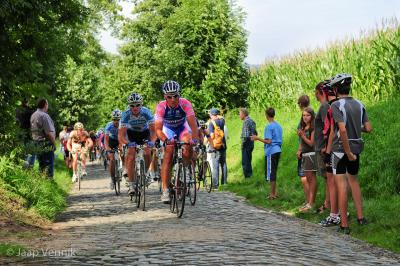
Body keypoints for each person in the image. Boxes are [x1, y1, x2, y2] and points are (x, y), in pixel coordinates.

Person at [329, 73, 372, 234]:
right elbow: (368, 128)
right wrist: (355, 128)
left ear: (336, 89)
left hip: (341, 150)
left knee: (341, 186)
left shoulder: (336, 105)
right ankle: (361, 218)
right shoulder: (360, 104)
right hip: (356, 148)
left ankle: (344, 225)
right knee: (354, 181)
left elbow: (342, 129)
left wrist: (347, 151)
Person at [155, 80, 199, 203]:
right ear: (165, 97)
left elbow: (193, 125)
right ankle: (165, 190)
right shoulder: (161, 106)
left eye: (176, 96)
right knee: (168, 154)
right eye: (170, 96)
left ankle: (184, 169)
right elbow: (158, 129)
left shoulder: (185, 104)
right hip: (168, 129)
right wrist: (165, 140)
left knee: (187, 143)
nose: (173, 99)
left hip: (182, 128)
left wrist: (194, 139)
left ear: (179, 94)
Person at [119, 93, 156, 196]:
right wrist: (127, 143)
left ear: (141, 105)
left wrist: (152, 142)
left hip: (145, 133)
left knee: (148, 151)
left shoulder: (147, 112)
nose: (135, 107)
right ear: (129, 106)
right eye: (132, 105)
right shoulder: (125, 114)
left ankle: (146, 173)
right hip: (131, 134)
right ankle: (131, 184)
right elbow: (121, 135)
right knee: (130, 154)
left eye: (137, 105)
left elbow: (154, 132)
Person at [251, 107, 282, 199]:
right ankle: (274, 193)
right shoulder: (278, 126)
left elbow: (268, 141)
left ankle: (272, 194)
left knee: (271, 173)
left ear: (266, 115)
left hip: (271, 151)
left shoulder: (269, 127)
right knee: (274, 172)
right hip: (278, 150)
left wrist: (257, 138)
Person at [313, 81, 332, 214]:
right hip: (320, 147)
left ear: (320, 92)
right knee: (326, 178)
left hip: (323, 148)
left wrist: (325, 147)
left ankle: (329, 204)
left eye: (315, 91)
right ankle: (328, 203)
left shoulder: (325, 106)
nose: (314, 94)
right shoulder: (323, 106)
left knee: (328, 177)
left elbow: (328, 128)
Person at [30, 98, 56, 178]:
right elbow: (48, 133)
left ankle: (41, 181)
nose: (47, 106)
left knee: (41, 164)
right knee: (48, 164)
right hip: (46, 143)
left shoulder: (33, 115)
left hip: (36, 142)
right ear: (45, 105)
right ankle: (49, 182)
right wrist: (54, 143)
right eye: (47, 104)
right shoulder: (44, 116)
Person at [297, 107, 317, 212]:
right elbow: (302, 142)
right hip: (304, 154)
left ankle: (311, 203)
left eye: (307, 115)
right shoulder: (304, 127)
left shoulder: (313, 127)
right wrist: (299, 150)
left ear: (312, 116)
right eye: (303, 115)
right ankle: (309, 202)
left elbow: (311, 143)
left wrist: (303, 136)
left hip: (311, 155)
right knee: (308, 179)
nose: (305, 117)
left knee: (311, 179)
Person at [296, 95, 310, 208]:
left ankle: (309, 201)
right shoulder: (311, 113)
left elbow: (302, 135)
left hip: (305, 150)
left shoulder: (304, 116)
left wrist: (299, 150)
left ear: (300, 104)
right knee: (309, 177)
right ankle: (309, 201)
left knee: (304, 177)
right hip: (309, 149)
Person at [208, 107, 227, 188]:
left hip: (215, 147)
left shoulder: (211, 123)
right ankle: (224, 182)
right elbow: (222, 117)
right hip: (223, 145)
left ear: (212, 114)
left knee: (215, 165)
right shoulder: (222, 121)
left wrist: (207, 141)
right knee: (223, 164)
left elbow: (212, 136)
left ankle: (215, 185)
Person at [105, 109, 122, 190]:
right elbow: (106, 139)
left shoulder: (123, 124)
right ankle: (112, 179)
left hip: (120, 140)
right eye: (114, 119)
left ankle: (124, 168)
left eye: (118, 119)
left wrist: (121, 146)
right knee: (111, 158)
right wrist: (108, 148)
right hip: (111, 141)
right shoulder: (109, 125)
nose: (116, 121)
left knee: (124, 153)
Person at [16, 98, 35, 167]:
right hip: (27, 133)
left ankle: (19, 166)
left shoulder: (17, 110)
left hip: (18, 133)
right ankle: (28, 168)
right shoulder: (30, 111)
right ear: (28, 102)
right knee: (30, 152)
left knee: (20, 150)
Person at [239, 108, 257, 178]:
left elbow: (245, 136)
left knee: (245, 161)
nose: (239, 116)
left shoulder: (246, 122)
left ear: (243, 114)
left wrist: (242, 144)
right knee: (248, 160)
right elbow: (255, 132)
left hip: (247, 142)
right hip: (251, 142)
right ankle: (250, 176)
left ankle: (247, 177)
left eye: (240, 114)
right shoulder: (252, 120)